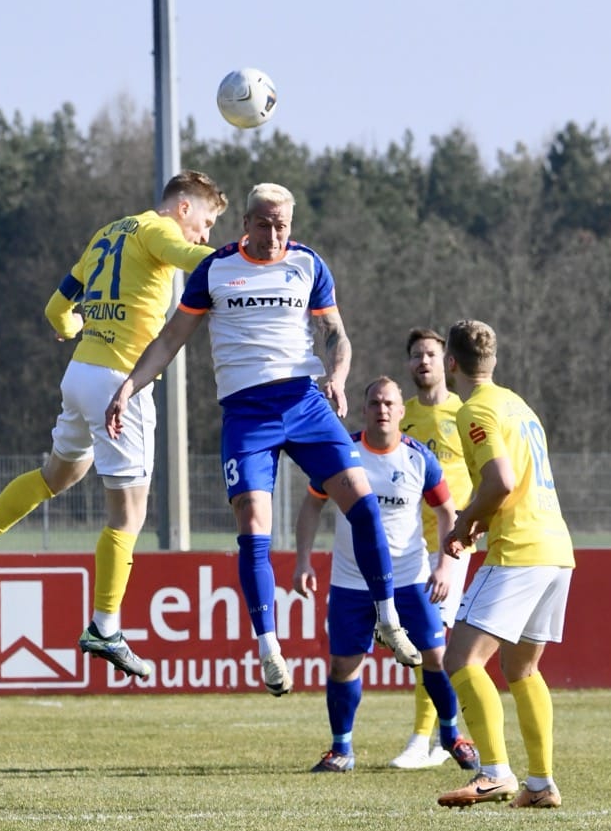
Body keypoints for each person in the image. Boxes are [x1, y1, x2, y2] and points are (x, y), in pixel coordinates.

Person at [104, 182, 421, 697]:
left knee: (364, 506)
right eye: (264, 224)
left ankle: (387, 618)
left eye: (283, 225)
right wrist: (128, 387)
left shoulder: (309, 265)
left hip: (305, 401)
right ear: (245, 224)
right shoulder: (215, 269)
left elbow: (336, 334)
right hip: (247, 413)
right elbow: (169, 340)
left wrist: (338, 377)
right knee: (254, 525)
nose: (274, 235)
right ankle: (269, 648)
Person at [0, 170, 229, 680]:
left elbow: (57, 309)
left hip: (80, 372)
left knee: (57, 476)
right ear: (183, 207)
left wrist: (74, 326)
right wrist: (252, 262)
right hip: (123, 383)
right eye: (206, 222)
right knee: (128, 515)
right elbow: (198, 261)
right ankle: (105, 626)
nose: (205, 234)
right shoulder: (160, 231)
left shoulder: (107, 233)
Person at [293, 376, 479, 773]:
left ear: (401, 411)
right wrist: (303, 560)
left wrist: (446, 562)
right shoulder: (344, 453)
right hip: (351, 583)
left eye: (389, 403)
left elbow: (448, 512)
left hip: (411, 579)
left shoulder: (419, 458)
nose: (382, 410)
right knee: (344, 665)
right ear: (365, 409)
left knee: (437, 657)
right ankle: (341, 749)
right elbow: (311, 506)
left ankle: (451, 734)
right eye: (375, 403)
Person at [435, 319, 574, 810]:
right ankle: (541, 783)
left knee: (461, 659)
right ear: (491, 363)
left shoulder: (475, 410)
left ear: (451, 363)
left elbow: (500, 482)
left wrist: (463, 522)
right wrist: (477, 520)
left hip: (519, 550)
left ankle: (494, 773)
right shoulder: (518, 404)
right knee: (522, 667)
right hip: (557, 548)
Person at [389, 327, 476, 769]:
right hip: (409, 547)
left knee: (431, 641)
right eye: (417, 356)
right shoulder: (401, 418)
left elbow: (483, 474)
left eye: (431, 355)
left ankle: (429, 738)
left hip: (453, 544)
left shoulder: (463, 413)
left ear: (447, 363)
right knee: (426, 642)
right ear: (409, 364)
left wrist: (474, 525)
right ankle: (439, 736)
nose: (424, 362)